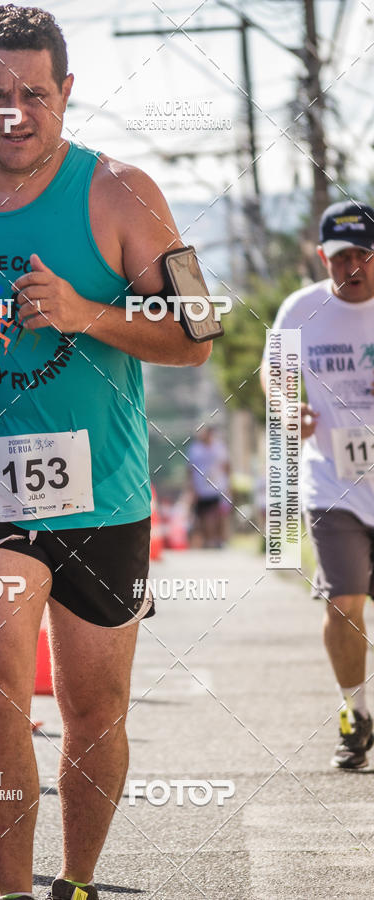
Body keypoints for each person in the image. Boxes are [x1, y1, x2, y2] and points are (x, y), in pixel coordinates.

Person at [0, 5, 211, 897]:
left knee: (96, 711)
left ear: (66, 92)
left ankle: (78, 883)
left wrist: (85, 313)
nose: (13, 113)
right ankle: (14, 892)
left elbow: (199, 333)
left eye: (32, 94)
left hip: (107, 492)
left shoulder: (124, 192)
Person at [261, 199, 374, 769]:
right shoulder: (302, 309)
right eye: (338, 257)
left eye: (362, 254)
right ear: (321, 256)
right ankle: (354, 711)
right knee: (345, 600)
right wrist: (287, 405)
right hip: (333, 484)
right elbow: (274, 374)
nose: (351, 267)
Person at [187, 426, 230, 548]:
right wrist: (191, 488)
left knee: (220, 515)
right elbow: (190, 470)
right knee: (205, 516)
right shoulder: (195, 449)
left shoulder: (219, 447)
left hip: (219, 487)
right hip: (202, 489)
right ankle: (209, 540)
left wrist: (228, 484)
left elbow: (226, 466)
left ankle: (220, 540)